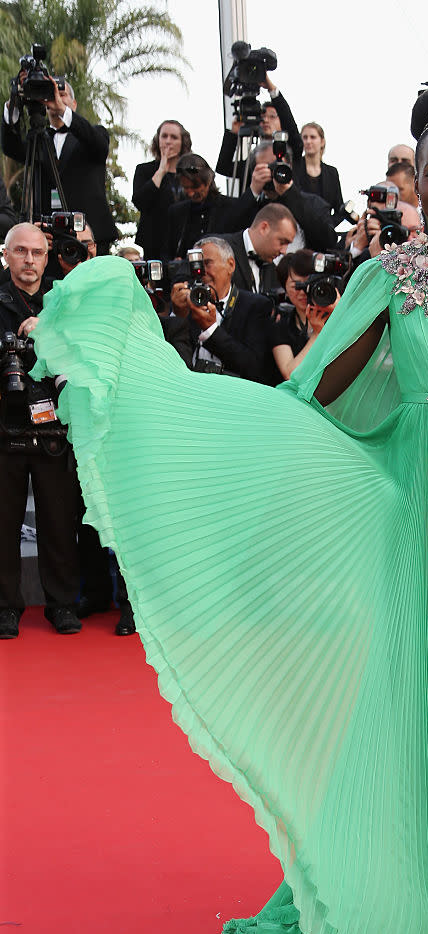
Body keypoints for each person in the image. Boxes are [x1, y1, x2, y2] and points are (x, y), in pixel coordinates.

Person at [30, 81, 428, 934]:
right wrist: (232, 429)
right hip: (417, 494)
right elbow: (320, 389)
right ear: (415, 182)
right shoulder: (386, 276)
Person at [0, 223, 80, 638]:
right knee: (3, 522)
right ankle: (5, 607)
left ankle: (62, 604)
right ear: (7, 255)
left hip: (55, 426)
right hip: (5, 423)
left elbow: (83, 352)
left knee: (58, 521)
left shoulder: (63, 302)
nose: (29, 260)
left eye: (37, 252)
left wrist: (46, 333)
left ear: (47, 258)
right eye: (21, 252)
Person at [2, 78, 116, 254]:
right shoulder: (38, 139)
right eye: (52, 95)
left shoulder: (93, 133)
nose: (56, 99)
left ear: (74, 104)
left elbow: (99, 145)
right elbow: (11, 148)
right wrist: (14, 106)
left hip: (90, 234)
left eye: (62, 94)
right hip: (49, 234)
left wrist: (63, 110)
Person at [162, 235, 278, 385]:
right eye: (195, 266)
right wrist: (177, 317)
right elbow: (170, 364)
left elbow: (255, 369)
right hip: (191, 392)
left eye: (207, 263)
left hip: (234, 396)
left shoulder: (257, 306)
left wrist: (211, 330)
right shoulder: (185, 306)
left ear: (230, 265)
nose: (201, 272)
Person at [162, 153, 259, 261]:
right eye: (185, 188)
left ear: (208, 181)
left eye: (195, 187)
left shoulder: (231, 207)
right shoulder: (177, 212)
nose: (190, 193)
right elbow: (166, 251)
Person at [270, 250, 340, 381]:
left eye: (310, 283)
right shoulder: (281, 325)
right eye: (296, 285)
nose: (304, 291)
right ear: (284, 288)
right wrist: (317, 333)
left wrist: (340, 311)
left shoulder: (338, 314)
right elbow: (290, 374)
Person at [132, 119, 193, 260]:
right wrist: (161, 171)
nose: (168, 141)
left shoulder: (190, 173)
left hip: (185, 244)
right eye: (164, 136)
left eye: (174, 137)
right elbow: (140, 202)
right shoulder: (144, 170)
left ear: (182, 142)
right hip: (155, 244)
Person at [222, 203, 297, 294]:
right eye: (282, 242)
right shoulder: (219, 248)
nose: (284, 251)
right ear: (264, 228)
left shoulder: (272, 271)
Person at [292, 122, 344, 224]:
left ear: (322, 141)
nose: (308, 141)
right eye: (305, 137)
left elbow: (339, 208)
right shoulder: (294, 168)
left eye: (313, 137)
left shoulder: (332, 173)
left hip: (323, 233)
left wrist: (328, 226)